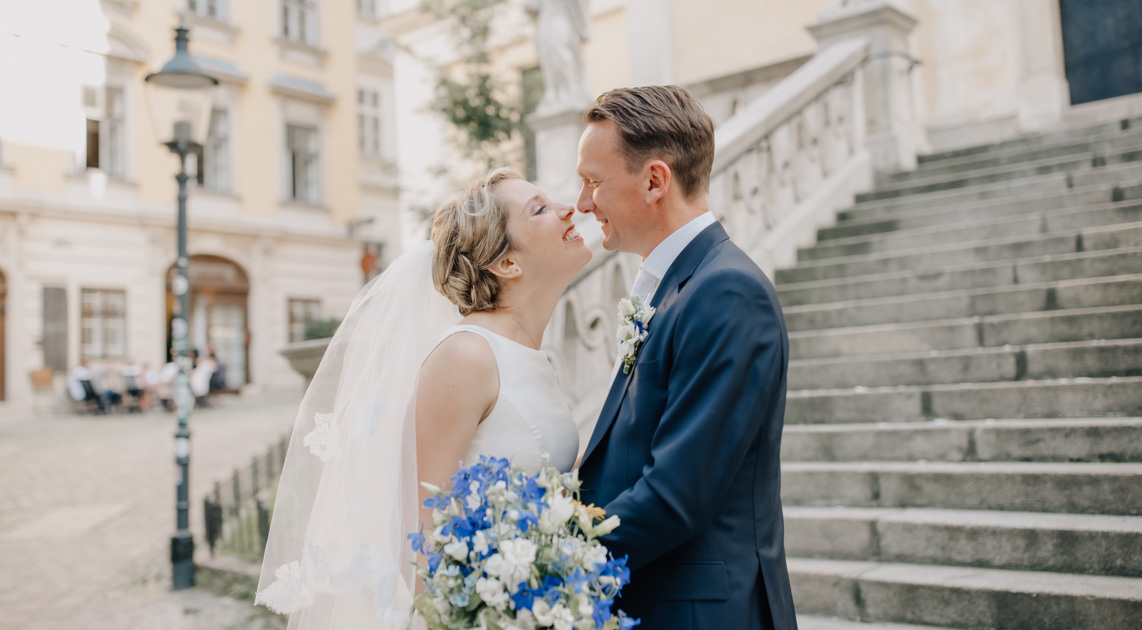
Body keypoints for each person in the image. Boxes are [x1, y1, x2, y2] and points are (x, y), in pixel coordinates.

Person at [257, 168, 592, 628]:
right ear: (507, 264)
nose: (567, 208)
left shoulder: (529, 353)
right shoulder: (466, 356)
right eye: (540, 208)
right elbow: (419, 536)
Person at [574, 86, 798, 630]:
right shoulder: (676, 284)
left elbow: (677, 494)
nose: (583, 203)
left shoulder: (725, 293)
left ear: (654, 181)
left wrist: (550, 555)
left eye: (593, 182)